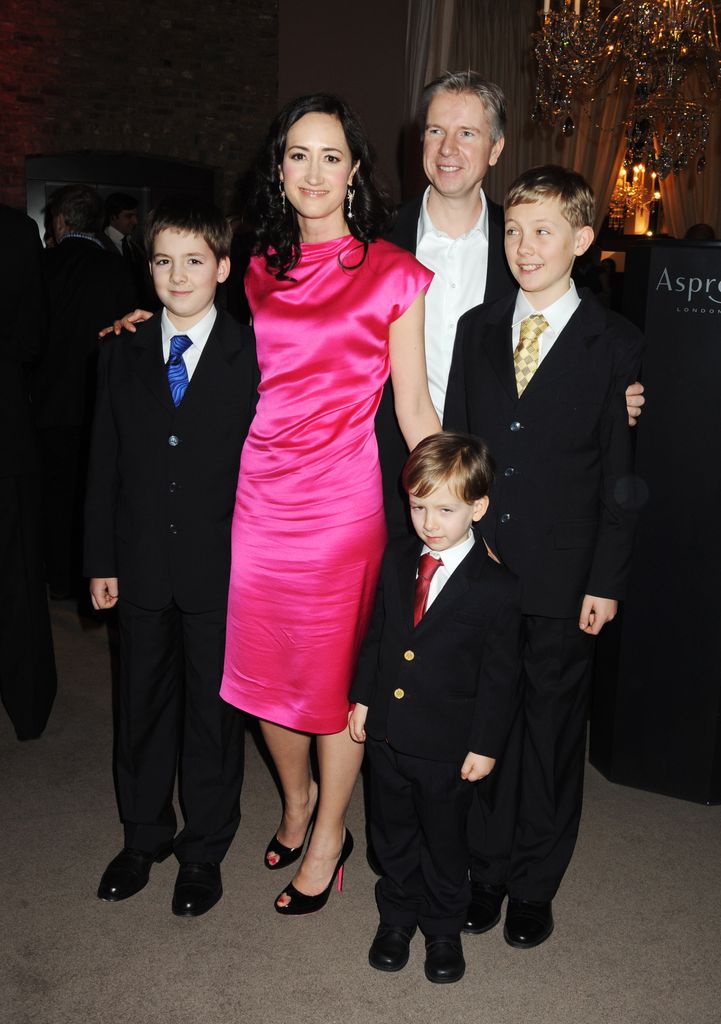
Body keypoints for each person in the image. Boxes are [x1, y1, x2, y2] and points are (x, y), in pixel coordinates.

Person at [219, 93, 441, 916]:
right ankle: (298, 799)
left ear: (354, 172)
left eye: (330, 156)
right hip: (260, 498)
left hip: (344, 508)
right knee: (263, 677)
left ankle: (328, 832)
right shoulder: (255, 265)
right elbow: (214, 352)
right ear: (278, 170)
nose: (313, 172)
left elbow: (414, 409)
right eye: (297, 155)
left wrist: (457, 502)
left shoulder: (393, 273)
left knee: (332, 682)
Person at [444, 165, 644, 948]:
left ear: (582, 241)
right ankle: (485, 871)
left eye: (544, 232)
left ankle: (534, 882)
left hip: (567, 577)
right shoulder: (475, 329)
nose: (526, 248)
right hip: (487, 567)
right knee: (485, 723)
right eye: (515, 231)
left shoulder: (614, 342)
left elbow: (620, 476)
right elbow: (460, 446)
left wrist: (606, 580)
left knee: (552, 731)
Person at [84, 197, 258, 917]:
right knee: (141, 705)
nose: (178, 275)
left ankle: (204, 849)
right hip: (142, 561)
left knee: (213, 717)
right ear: (146, 267)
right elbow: (104, 464)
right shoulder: (121, 349)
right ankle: (142, 835)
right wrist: (100, 560)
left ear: (221, 267)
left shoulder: (257, 350)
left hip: (224, 568)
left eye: (194, 261)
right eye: (162, 261)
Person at [378, 70, 645, 538]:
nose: (447, 149)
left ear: (496, 149)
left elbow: (581, 346)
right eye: (436, 131)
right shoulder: (375, 243)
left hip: (498, 489)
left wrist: (608, 392)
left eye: (467, 134)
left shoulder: (526, 247)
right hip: (386, 479)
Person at [349, 432, 522, 984]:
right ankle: (396, 917)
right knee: (391, 832)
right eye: (418, 506)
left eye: (445, 509)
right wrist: (362, 697)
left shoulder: (496, 587)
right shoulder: (399, 558)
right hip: (390, 737)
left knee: (445, 841)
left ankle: (444, 928)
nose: (428, 522)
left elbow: (501, 678)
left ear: (478, 507)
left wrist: (485, 745)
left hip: (449, 747)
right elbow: (378, 635)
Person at [32, 184, 137, 598]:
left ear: (59, 221)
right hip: (102, 404)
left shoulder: (42, 265)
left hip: (47, 403)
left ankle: (58, 580)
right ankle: (93, 580)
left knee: (54, 497)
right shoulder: (116, 268)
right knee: (100, 494)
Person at [0, 204, 57, 740]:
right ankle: (29, 706)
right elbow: (34, 337)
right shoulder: (18, 232)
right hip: (7, 416)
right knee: (16, 570)